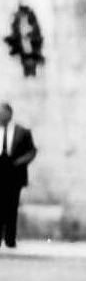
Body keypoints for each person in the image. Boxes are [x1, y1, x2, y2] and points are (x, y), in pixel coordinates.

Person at [0, 102, 37, 248]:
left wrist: (19, 162)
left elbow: (32, 151)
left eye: (3, 113)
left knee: (11, 206)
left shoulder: (22, 132)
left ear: (10, 114)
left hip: (14, 174)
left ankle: (10, 239)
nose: (1, 116)